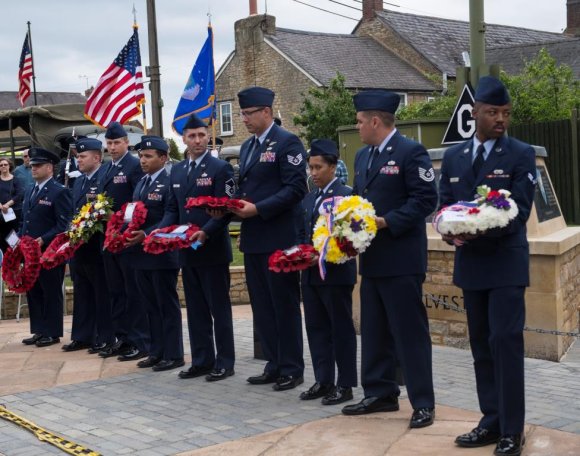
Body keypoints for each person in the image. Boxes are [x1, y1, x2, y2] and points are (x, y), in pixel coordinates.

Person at [439, 76, 536, 456]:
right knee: (480, 346)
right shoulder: (454, 157)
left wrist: (476, 229)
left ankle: (513, 429)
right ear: (474, 112)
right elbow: (446, 205)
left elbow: (520, 211)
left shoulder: (520, 154)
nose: (501, 119)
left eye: (506, 113)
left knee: (505, 344)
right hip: (472, 266)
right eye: (493, 112)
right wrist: (449, 230)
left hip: (506, 265)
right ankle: (490, 421)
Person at [341, 89, 437, 429]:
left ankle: (423, 401)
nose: (357, 126)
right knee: (375, 329)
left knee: (409, 332)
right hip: (373, 258)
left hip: (402, 259)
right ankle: (380, 392)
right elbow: (359, 200)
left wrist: (388, 221)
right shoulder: (363, 157)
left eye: (359, 121)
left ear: (375, 121)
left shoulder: (411, 152)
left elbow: (426, 199)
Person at [229, 86, 308, 391]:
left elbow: (295, 189)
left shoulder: (288, 142)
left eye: (248, 114)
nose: (244, 119)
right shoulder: (248, 147)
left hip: (278, 237)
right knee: (262, 306)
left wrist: (258, 209)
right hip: (254, 238)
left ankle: (291, 367)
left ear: (266, 111)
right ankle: (273, 363)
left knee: (283, 306)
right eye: (242, 113)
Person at [160, 114, 236, 382]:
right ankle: (202, 360)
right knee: (195, 309)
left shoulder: (220, 169)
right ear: (184, 139)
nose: (198, 140)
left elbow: (226, 210)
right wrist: (162, 231)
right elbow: (173, 209)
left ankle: (225, 362)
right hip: (186, 251)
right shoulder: (178, 170)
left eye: (202, 135)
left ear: (208, 136)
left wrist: (206, 232)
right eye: (192, 136)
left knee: (219, 309)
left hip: (212, 250)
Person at [299, 139, 357, 405]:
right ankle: (323, 380)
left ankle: (345, 384)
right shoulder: (310, 197)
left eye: (318, 167)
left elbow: (350, 237)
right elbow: (303, 232)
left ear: (333, 166)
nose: (313, 173)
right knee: (316, 328)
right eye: (310, 167)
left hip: (335, 275)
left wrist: (324, 253)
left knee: (340, 330)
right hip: (310, 275)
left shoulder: (346, 196)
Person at [124, 135, 184, 372]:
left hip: (162, 253)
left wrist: (147, 234)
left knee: (166, 305)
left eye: (148, 156)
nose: (143, 160)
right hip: (141, 254)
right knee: (150, 305)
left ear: (164, 157)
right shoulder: (142, 183)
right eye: (141, 156)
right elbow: (132, 214)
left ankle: (174, 354)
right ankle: (156, 351)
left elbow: (170, 217)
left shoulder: (170, 182)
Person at [97, 121, 148, 361]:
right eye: (109, 143)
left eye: (117, 142)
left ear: (127, 142)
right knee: (116, 290)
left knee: (132, 291)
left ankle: (138, 340)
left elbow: (137, 203)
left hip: (126, 238)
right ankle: (122, 336)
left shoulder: (134, 166)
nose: (113, 147)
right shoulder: (107, 168)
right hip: (109, 238)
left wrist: (122, 226)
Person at [62, 138, 113, 354]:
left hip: (95, 246)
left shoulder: (103, 178)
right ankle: (82, 336)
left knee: (101, 293)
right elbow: (74, 212)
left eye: (82, 157)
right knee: (82, 292)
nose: (78, 160)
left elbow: (104, 211)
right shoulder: (79, 181)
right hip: (79, 247)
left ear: (97, 157)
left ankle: (104, 336)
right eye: (77, 156)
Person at [20, 147, 73, 347]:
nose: (33, 168)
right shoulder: (30, 190)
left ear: (50, 168)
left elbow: (63, 224)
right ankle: (39, 330)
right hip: (29, 251)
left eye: (38, 165)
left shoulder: (59, 191)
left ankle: (52, 332)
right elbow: (26, 220)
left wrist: (44, 238)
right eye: (32, 165)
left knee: (50, 290)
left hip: (49, 251)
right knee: (33, 290)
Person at [0, 158, 24, 252]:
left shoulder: (16, 179)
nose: (3, 166)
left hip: (14, 213)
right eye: (1, 165)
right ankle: (3, 260)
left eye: (5, 164)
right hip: (1, 213)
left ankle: (14, 258)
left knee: (13, 236)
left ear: (9, 166)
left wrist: (7, 205)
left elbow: (20, 194)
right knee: (2, 236)